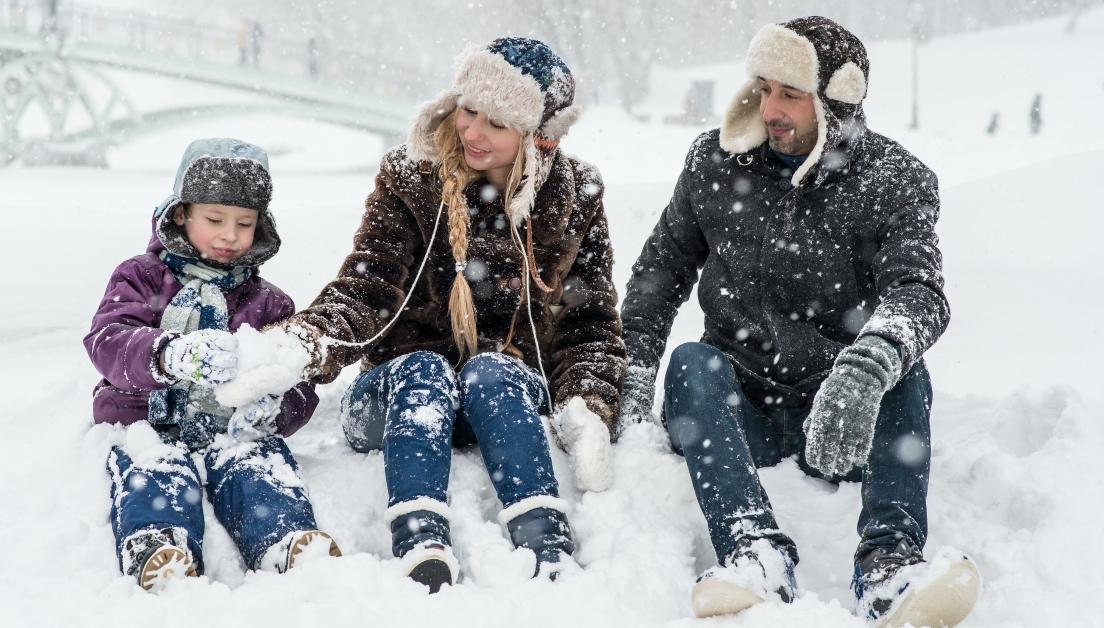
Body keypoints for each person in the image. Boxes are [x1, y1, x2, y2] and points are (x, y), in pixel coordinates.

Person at [618, 17, 980, 626]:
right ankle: (753, 552)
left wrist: (866, 368)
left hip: (843, 420)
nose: (771, 108)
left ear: (836, 101)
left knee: (904, 369)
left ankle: (889, 567)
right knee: (690, 363)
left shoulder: (895, 180)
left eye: (790, 93)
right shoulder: (713, 162)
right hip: (738, 412)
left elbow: (919, 291)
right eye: (763, 88)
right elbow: (658, 278)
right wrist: (630, 374)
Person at [269, 37, 625, 592]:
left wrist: (588, 402)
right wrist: (303, 343)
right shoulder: (412, 176)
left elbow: (590, 321)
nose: (473, 132)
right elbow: (369, 285)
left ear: (538, 138)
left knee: (493, 371)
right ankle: (420, 538)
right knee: (425, 371)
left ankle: (544, 539)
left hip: (500, 400)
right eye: (469, 110)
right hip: (399, 395)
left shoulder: (577, 193)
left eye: (498, 123)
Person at [84, 138, 339, 591]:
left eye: (244, 223)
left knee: (258, 465)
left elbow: (296, 379)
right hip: (146, 419)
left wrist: (276, 407)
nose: (229, 236)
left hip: (230, 428)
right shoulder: (141, 277)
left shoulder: (269, 303)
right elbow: (108, 339)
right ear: (181, 213)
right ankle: (158, 542)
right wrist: (167, 354)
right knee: (155, 467)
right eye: (215, 220)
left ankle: (283, 538)